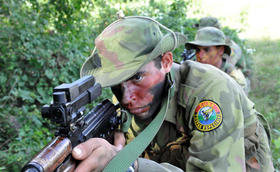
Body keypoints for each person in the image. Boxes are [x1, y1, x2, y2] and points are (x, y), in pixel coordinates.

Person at [72, 16, 274, 172]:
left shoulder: (210, 93)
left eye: (138, 78)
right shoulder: (124, 101)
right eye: (116, 84)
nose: (126, 98)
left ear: (167, 62)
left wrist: (130, 165)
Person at [190, 16, 251, 94]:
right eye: (198, 50)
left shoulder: (230, 48)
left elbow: (225, 67)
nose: (200, 54)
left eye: (206, 49)